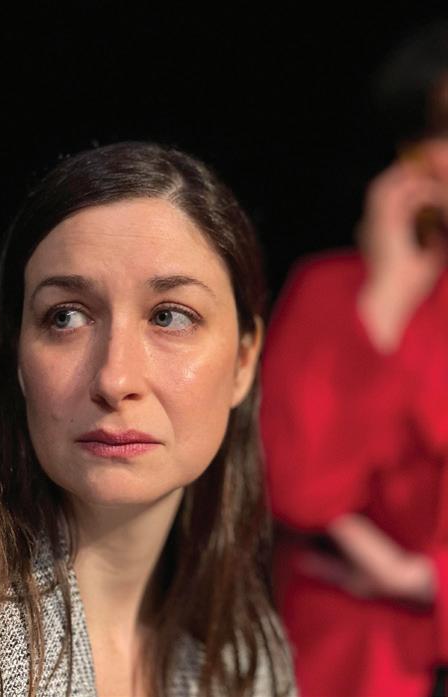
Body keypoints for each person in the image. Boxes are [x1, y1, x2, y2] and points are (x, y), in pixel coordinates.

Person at [0, 142, 295, 697]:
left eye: (170, 317)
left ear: (244, 361)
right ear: (17, 358)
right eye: (66, 317)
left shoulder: (248, 662)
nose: (114, 379)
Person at [261, 21, 448, 697]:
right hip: (349, 660)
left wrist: (424, 579)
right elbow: (296, 488)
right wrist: (386, 302)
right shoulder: (329, 289)